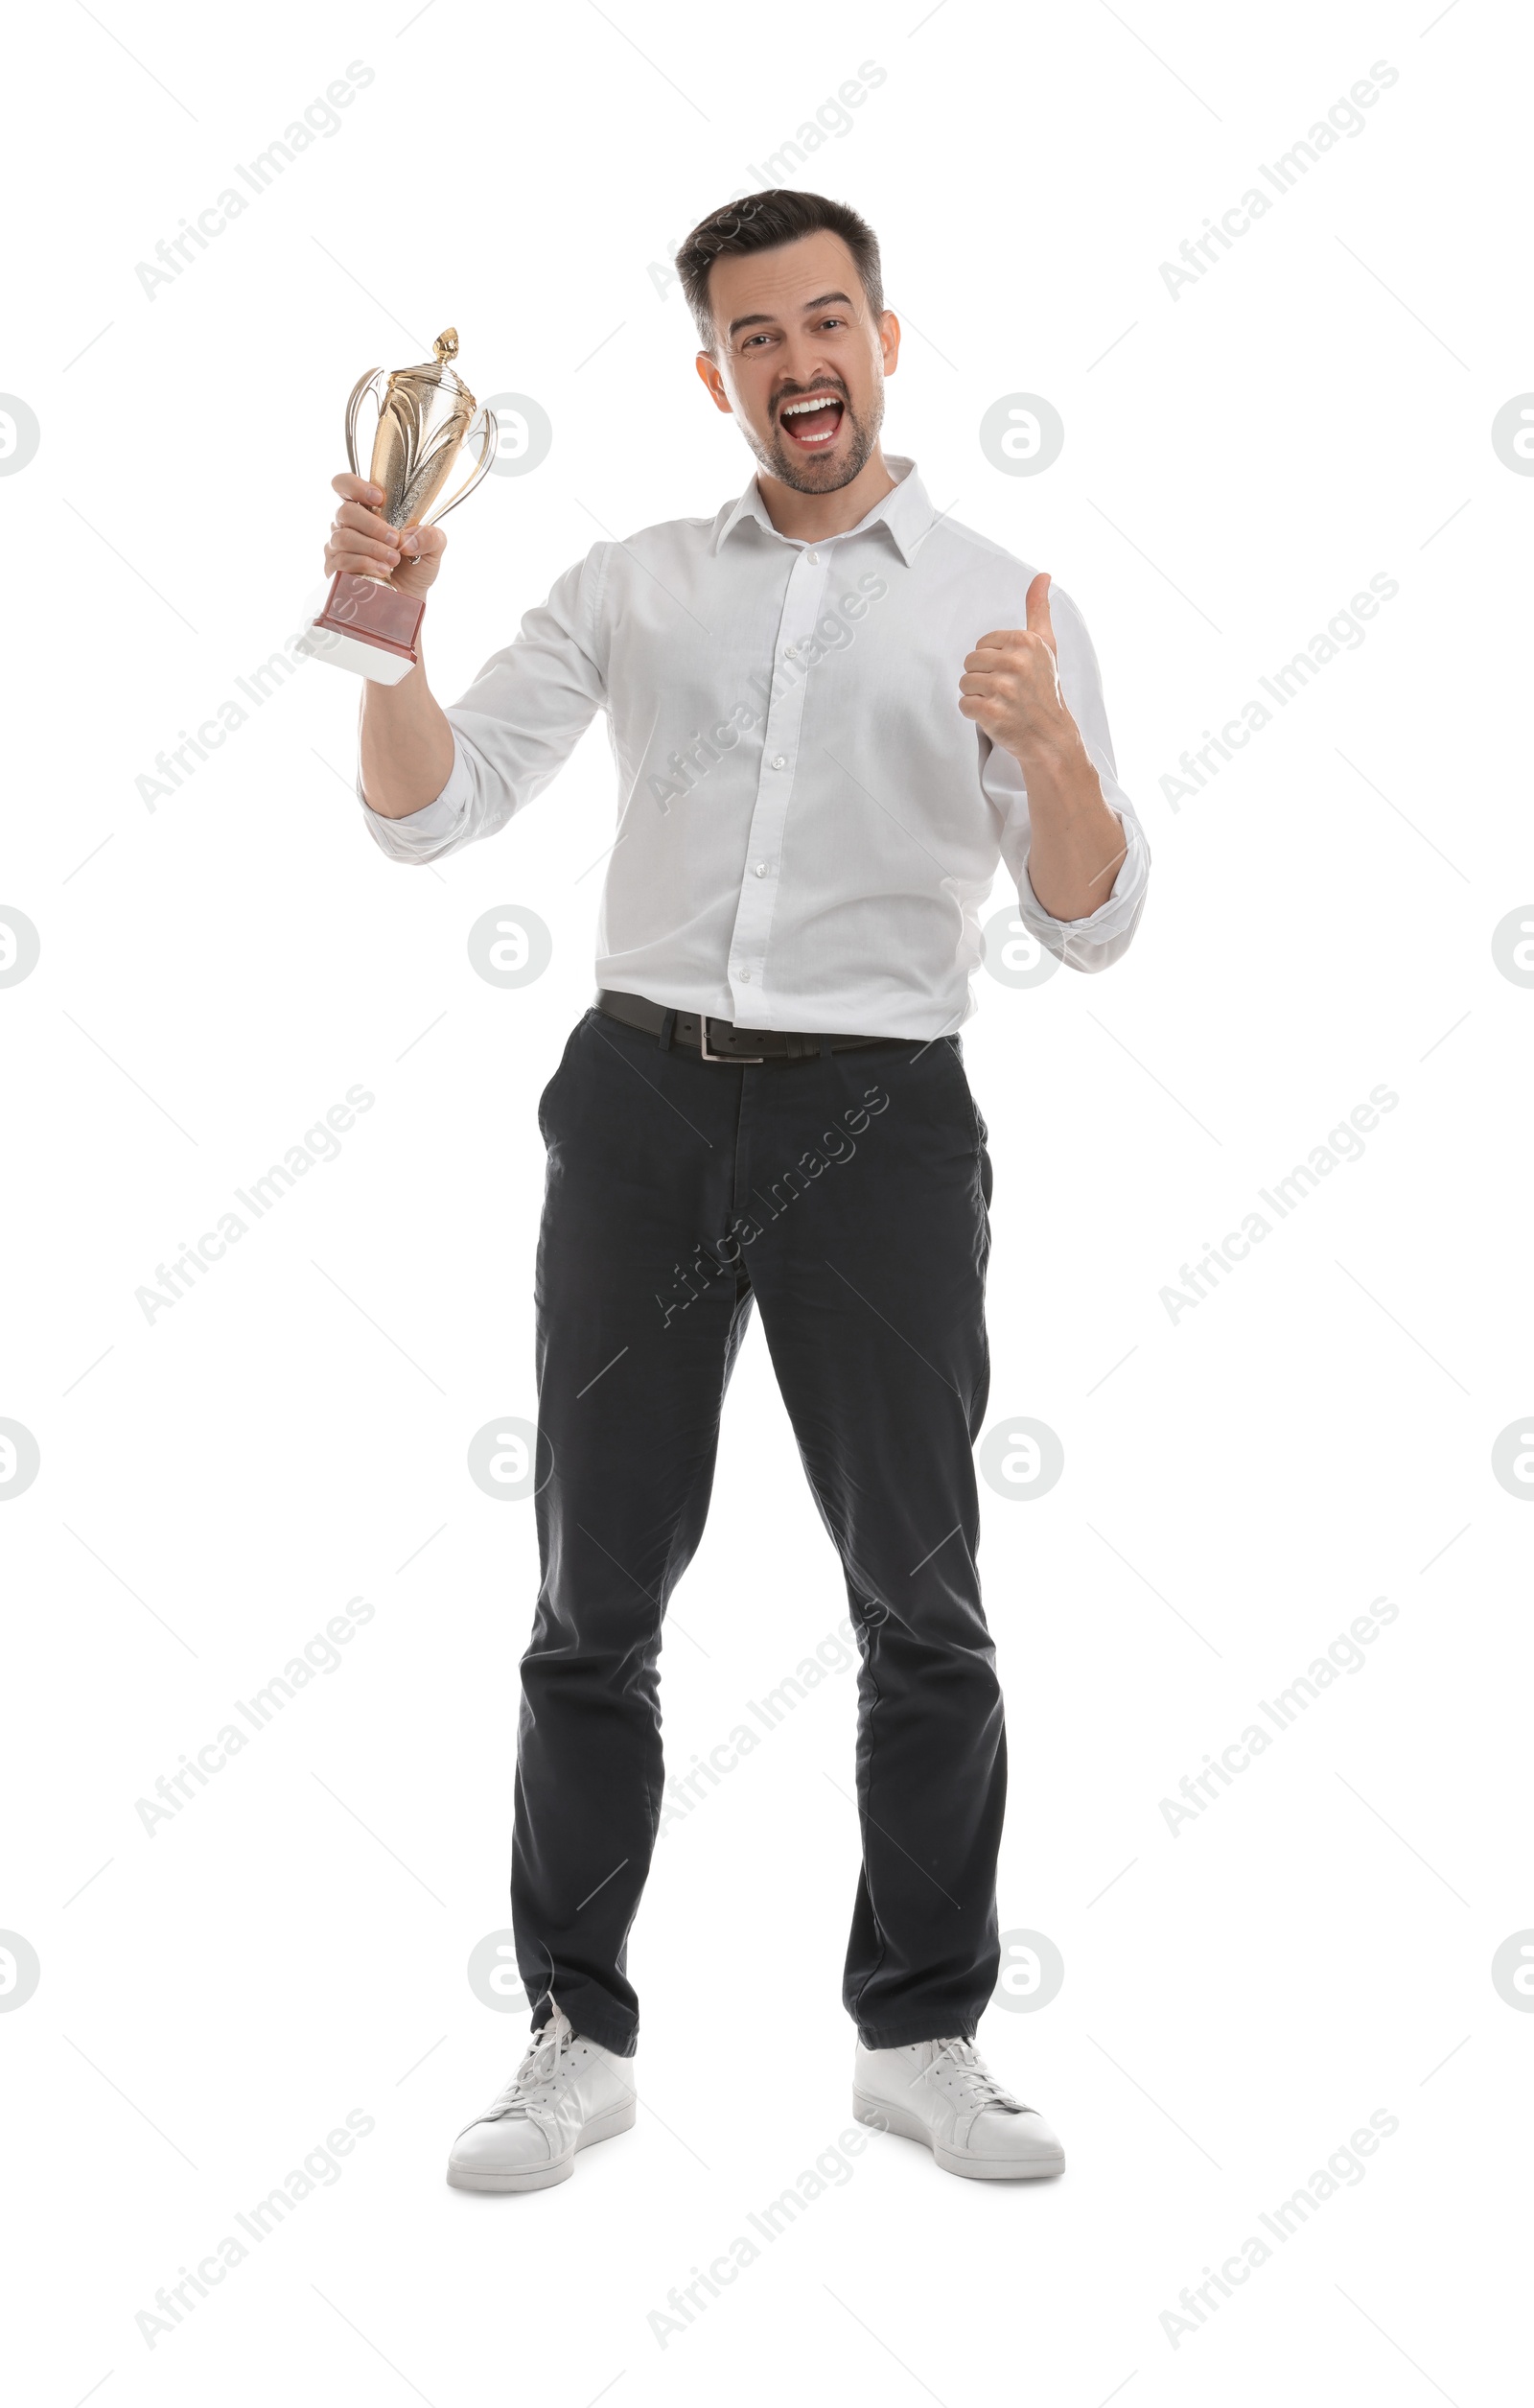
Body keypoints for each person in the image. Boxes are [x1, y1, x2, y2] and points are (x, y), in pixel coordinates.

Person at [323, 189, 1150, 2194]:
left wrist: (1044, 755)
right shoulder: (630, 585)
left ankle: (922, 2029)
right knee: (591, 1597)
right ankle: (572, 2033)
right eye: (756, 337)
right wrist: (387, 635)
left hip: (879, 1119)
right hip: (638, 1103)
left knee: (920, 1601)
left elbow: (1093, 919)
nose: (798, 363)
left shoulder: (1001, 597)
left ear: (885, 336)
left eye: (827, 321)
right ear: (715, 374)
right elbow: (429, 808)